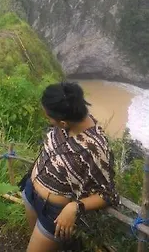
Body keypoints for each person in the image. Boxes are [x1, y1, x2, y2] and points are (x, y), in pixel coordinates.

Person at [22, 82, 118, 252]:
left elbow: (108, 195)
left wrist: (75, 206)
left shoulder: (95, 149)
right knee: (32, 238)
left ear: (63, 123)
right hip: (31, 192)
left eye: (49, 117)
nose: (48, 121)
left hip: (53, 212)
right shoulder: (67, 120)